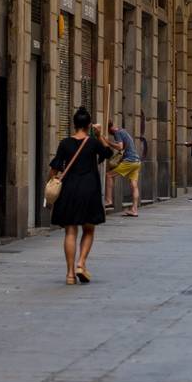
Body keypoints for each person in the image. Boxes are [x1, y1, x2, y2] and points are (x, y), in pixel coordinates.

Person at [48, 106, 118, 284]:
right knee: (88, 228)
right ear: (88, 125)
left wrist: (50, 182)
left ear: (74, 124)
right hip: (89, 189)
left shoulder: (65, 143)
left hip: (69, 189)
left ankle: (70, 274)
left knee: (70, 231)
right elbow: (109, 153)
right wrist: (100, 135)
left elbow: (55, 166)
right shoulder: (93, 143)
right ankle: (81, 263)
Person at [104, 119, 142, 216]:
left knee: (109, 175)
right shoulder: (123, 131)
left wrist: (108, 142)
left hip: (130, 161)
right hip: (137, 161)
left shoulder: (117, 133)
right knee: (134, 185)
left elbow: (120, 147)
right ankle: (134, 209)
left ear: (109, 128)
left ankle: (108, 200)